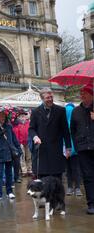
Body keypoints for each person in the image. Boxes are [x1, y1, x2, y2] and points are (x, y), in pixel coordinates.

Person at [28, 88, 71, 180]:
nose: (50, 99)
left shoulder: (60, 110)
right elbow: (31, 129)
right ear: (42, 99)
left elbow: (65, 130)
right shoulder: (35, 112)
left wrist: (68, 147)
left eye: (51, 97)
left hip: (56, 151)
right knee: (43, 181)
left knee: (56, 180)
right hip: (41, 150)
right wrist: (35, 137)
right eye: (48, 97)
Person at [70, 84, 94, 215]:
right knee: (88, 176)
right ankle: (91, 203)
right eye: (81, 93)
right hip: (83, 148)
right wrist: (77, 144)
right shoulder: (76, 111)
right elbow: (72, 129)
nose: (82, 95)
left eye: (85, 93)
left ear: (92, 95)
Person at [0, 107, 21, 203]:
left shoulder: (9, 127)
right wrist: (0, 133)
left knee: (9, 174)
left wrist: (18, 149)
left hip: (8, 153)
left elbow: (14, 140)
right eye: (0, 116)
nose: (2, 117)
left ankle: (9, 191)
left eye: (4, 116)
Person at [65, 103, 82, 197]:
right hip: (71, 149)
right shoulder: (64, 123)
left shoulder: (75, 122)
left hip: (73, 149)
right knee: (73, 169)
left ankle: (74, 187)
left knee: (72, 169)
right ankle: (74, 187)